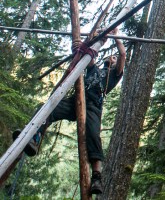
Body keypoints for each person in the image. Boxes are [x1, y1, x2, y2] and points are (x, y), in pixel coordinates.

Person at [15, 32, 125, 195]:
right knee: (47, 109)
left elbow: (122, 53)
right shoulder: (94, 68)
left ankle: (96, 176)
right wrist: (81, 46)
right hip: (76, 100)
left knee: (93, 136)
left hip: (93, 106)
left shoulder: (115, 74)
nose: (112, 57)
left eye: (114, 58)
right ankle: (34, 137)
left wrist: (115, 35)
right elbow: (86, 56)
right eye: (111, 57)